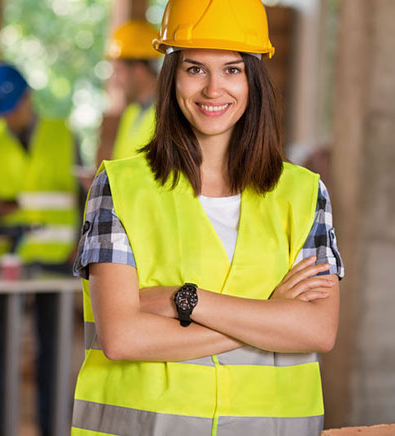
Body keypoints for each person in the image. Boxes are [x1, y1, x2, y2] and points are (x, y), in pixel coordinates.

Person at [71, 1, 344, 435]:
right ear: (172, 77)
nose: (213, 90)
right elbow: (123, 338)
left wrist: (186, 300)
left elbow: (318, 329)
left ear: (254, 80)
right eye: (195, 68)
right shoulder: (120, 189)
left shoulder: (305, 194)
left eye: (232, 70)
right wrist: (271, 318)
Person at [0, 63, 82, 436]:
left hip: (55, 258)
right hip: (7, 260)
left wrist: (81, 243)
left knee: (53, 349)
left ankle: (52, 427)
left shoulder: (62, 135)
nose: (9, 120)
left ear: (28, 99)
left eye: (12, 109)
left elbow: (86, 191)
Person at [95, 20, 160, 165]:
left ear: (138, 70)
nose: (115, 80)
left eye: (118, 71)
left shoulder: (169, 114)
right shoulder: (130, 114)